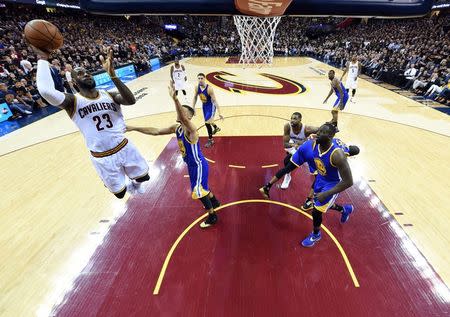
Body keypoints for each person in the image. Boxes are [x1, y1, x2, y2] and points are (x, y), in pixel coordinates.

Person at [32, 45, 149, 198]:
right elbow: (47, 92)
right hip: (102, 156)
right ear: (74, 83)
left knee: (143, 177)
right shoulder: (72, 101)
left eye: (87, 72)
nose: (86, 74)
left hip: (124, 147)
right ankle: (115, 183)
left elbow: (130, 100)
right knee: (120, 194)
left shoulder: (108, 94)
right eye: (80, 74)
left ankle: (136, 185)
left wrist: (113, 76)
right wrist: (42, 59)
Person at [127, 82, 221, 228]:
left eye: (183, 111)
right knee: (202, 187)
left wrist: (175, 99)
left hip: (198, 164)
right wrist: (134, 127)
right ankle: (214, 201)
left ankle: (212, 215)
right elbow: (156, 131)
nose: (179, 113)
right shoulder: (176, 128)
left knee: (198, 190)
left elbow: (183, 119)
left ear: (189, 116)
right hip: (191, 165)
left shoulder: (192, 130)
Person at [259, 124, 357, 245]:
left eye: (323, 132)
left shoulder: (337, 155)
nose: (319, 134)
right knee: (319, 203)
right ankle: (345, 209)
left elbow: (348, 181)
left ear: (331, 136)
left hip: (332, 183)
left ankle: (316, 235)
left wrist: (327, 193)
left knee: (316, 211)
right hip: (321, 178)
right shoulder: (314, 144)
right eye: (319, 131)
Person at [280, 112, 318, 190]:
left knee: (314, 165)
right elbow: (285, 144)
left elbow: (320, 129)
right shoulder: (287, 126)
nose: (292, 120)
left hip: (304, 147)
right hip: (293, 146)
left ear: (300, 119)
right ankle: (287, 176)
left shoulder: (307, 129)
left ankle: (320, 180)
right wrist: (295, 145)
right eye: (291, 118)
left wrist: (331, 125)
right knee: (287, 161)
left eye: (295, 118)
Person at [191, 73, 224, 148]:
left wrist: (220, 112)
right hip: (204, 106)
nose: (200, 80)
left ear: (204, 78)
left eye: (201, 78)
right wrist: (193, 108)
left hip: (211, 106)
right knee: (209, 121)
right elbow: (195, 98)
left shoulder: (209, 89)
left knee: (207, 123)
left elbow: (215, 101)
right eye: (198, 78)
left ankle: (210, 140)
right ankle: (216, 128)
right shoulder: (197, 87)